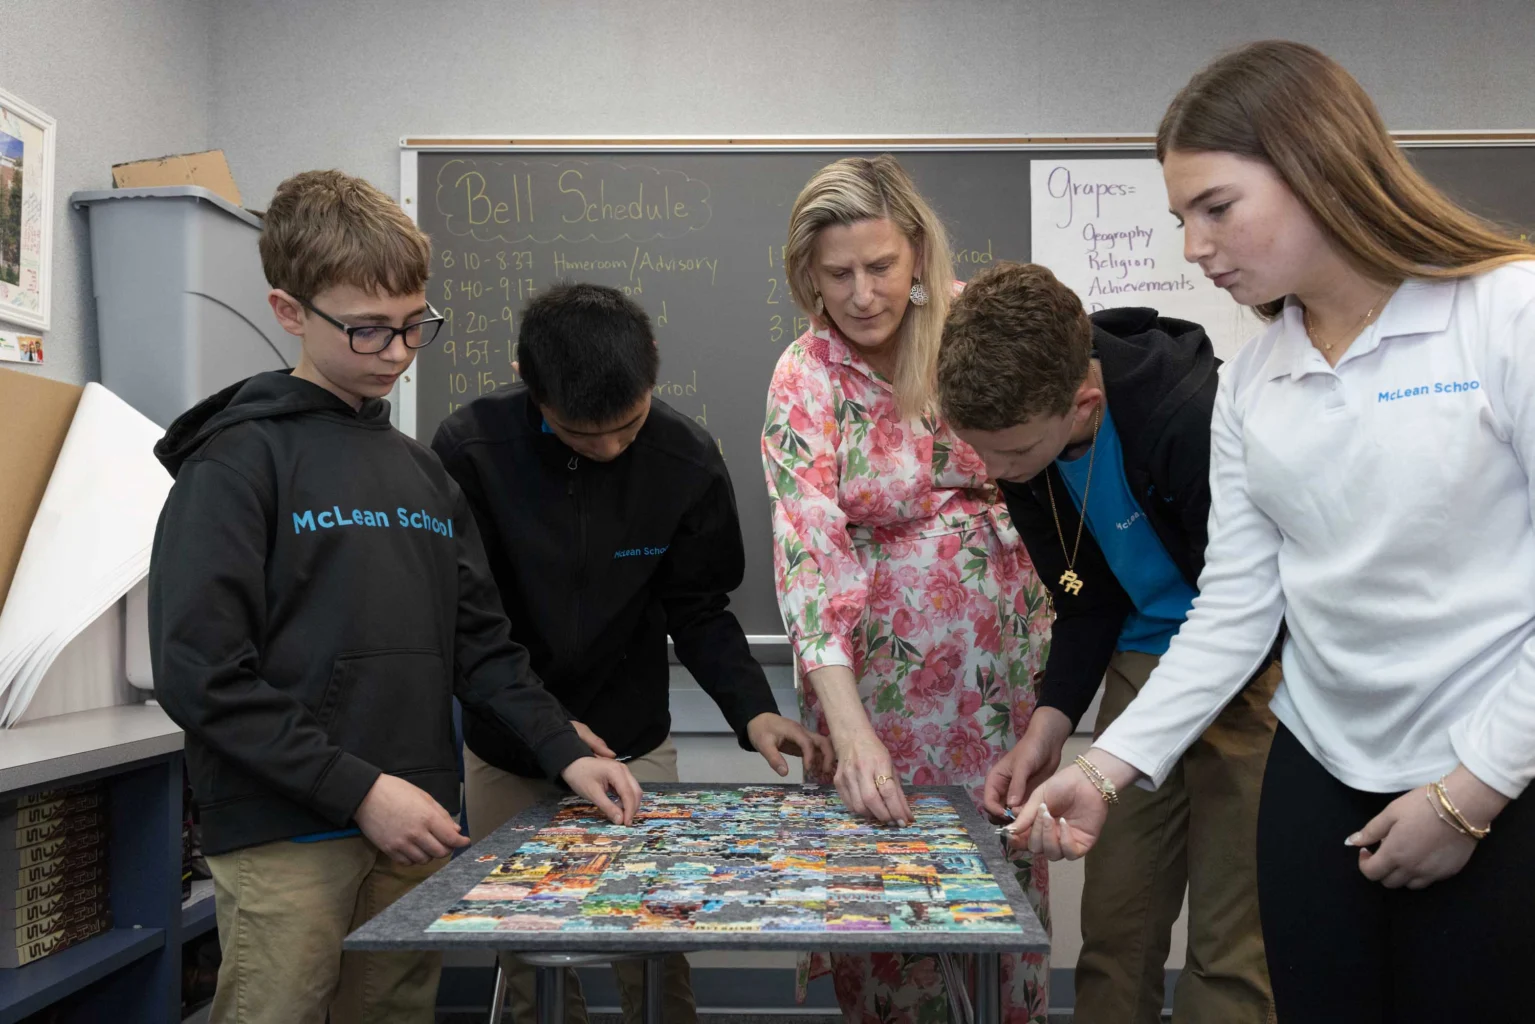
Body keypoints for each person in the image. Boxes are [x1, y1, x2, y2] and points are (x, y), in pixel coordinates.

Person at [1013, 40, 1535, 1021]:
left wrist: (1470, 792)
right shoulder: (1255, 380)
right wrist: (1101, 769)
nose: (1194, 248)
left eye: (1215, 208)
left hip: (1494, 769)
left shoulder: (1504, 313)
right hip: (1319, 769)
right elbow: (1236, 609)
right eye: (1180, 219)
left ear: (1316, 165)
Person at [149, 170, 641, 1024]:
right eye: (367, 329)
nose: (397, 353)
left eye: (415, 325)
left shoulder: (420, 472)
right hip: (287, 831)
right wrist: (359, 791)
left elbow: (482, 647)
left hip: (414, 824)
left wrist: (564, 749)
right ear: (289, 310)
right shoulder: (236, 461)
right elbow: (200, 675)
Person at [432, 281, 833, 1024]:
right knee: (528, 944)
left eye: (629, 424)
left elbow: (700, 608)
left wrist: (753, 711)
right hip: (509, 738)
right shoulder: (469, 450)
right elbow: (470, 627)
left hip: (631, 737)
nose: (612, 447)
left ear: (652, 365)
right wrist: (548, 734)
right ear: (529, 382)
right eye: (585, 436)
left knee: (653, 931)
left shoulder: (685, 458)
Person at [937, 260, 1279, 1024]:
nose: (993, 475)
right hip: (1142, 656)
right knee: (1116, 925)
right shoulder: (1020, 439)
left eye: (1012, 455)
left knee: (1230, 942)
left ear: (1083, 401)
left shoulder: (1188, 418)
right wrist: (1048, 726)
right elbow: (1084, 600)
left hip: (1251, 667)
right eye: (981, 454)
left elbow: (1249, 605)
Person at [761, 155, 1052, 1021]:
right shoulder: (804, 375)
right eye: (837, 273)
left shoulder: (977, 329)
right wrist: (850, 733)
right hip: (875, 686)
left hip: (999, 677)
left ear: (917, 251)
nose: (860, 293)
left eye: (879, 266)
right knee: (881, 897)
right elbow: (806, 554)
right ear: (807, 274)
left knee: (998, 897)